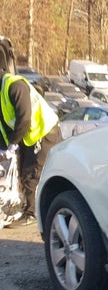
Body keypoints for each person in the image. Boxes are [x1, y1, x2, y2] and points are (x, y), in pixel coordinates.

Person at [0, 49, 62, 227]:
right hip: (29, 136)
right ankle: (25, 208)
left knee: (32, 173)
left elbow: (24, 118)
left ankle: (31, 214)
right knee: (21, 171)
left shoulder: (14, 85)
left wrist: (12, 144)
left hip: (44, 132)